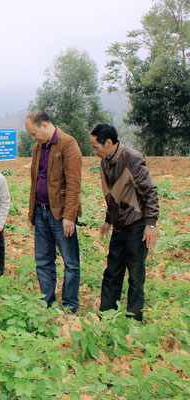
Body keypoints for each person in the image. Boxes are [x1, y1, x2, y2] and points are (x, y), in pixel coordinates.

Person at [90, 124, 159, 322]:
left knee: (136, 276)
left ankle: (133, 320)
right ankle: (107, 315)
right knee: (112, 272)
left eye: (96, 147)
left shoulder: (132, 158)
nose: (94, 151)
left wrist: (151, 224)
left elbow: (150, 192)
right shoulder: (105, 162)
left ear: (109, 143)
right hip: (119, 228)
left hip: (137, 227)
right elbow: (114, 196)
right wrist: (108, 220)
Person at [26, 109, 82, 312]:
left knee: (70, 261)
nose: (33, 137)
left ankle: (70, 305)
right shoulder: (38, 148)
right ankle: (47, 303)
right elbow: (35, 182)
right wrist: (32, 213)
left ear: (44, 125)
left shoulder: (68, 144)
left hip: (60, 215)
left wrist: (69, 216)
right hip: (41, 213)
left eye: (34, 133)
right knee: (43, 260)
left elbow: (74, 183)